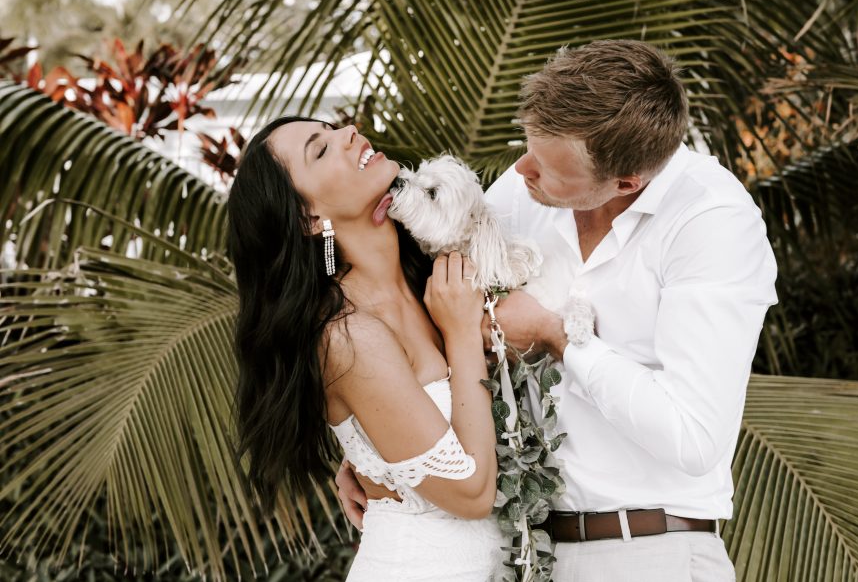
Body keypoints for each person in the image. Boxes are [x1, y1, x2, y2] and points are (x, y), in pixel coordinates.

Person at [337, 40, 778, 581]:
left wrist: (556, 336)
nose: (521, 169)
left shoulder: (712, 222)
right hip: (522, 551)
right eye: (527, 146)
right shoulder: (528, 191)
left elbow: (694, 437)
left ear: (625, 184)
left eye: (545, 167)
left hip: (646, 547)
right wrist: (391, 445)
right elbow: (449, 332)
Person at [227, 116, 504, 581]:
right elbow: (472, 493)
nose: (349, 133)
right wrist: (459, 336)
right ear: (309, 218)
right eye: (321, 149)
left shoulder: (434, 279)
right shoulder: (348, 334)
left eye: (334, 127)